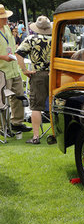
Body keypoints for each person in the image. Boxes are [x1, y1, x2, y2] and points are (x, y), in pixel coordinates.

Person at [16, 15, 52, 145]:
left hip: (38, 75)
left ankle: (36, 137)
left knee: (36, 107)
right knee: (55, 105)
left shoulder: (31, 39)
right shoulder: (55, 39)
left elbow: (18, 53)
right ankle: (55, 134)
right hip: (53, 74)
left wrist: (25, 70)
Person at [0, 4, 30, 133]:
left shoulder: (7, 28)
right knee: (3, 100)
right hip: (2, 71)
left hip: (13, 68)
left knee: (19, 96)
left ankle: (16, 122)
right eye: (3, 18)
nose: (6, 20)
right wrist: (3, 57)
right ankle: (3, 126)